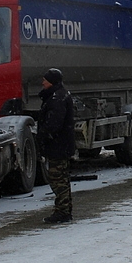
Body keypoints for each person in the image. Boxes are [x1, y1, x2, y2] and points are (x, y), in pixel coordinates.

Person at [38, 68, 76, 223]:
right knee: (62, 178)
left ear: (51, 81)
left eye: (45, 80)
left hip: (57, 146)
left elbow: (54, 124)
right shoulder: (59, 95)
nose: (42, 83)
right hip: (61, 145)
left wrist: (43, 135)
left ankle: (62, 211)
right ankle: (64, 210)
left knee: (57, 179)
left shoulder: (57, 99)